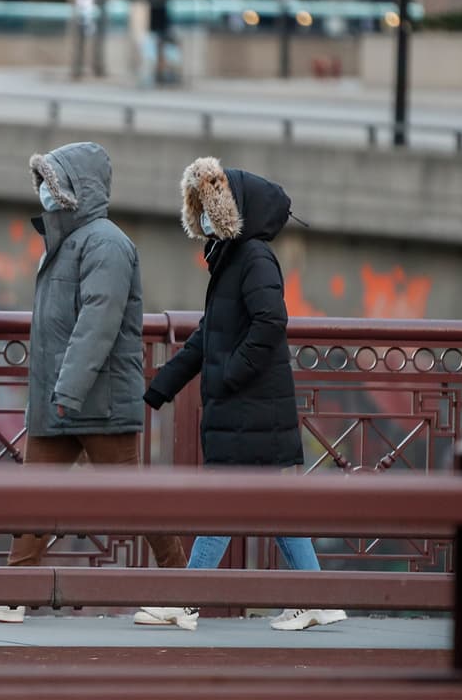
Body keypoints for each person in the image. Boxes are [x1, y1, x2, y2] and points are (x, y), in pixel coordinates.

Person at [0, 141, 188, 624]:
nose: (44, 190)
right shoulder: (68, 241)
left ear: (75, 189)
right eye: (42, 181)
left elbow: (97, 325)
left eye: (52, 181)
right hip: (63, 401)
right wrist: (57, 393)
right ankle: (12, 594)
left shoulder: (106, 243)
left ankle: (183, 588)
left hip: (95, 402)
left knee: (134, 502)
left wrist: (65, 390)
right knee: (35, 495)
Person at [132, 156, 347, 632]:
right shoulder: (230, 260)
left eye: (211, 206)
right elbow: (208, 336)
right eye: (200, 208)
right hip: (247, 412)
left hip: (251, 410)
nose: (205, 216)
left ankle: (185, 603)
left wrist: (230, 374)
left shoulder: (252, 258)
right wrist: (159, 389)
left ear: (233, 210)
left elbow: (271, 322)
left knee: (225, 505)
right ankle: (318, 600)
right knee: (274, 508)